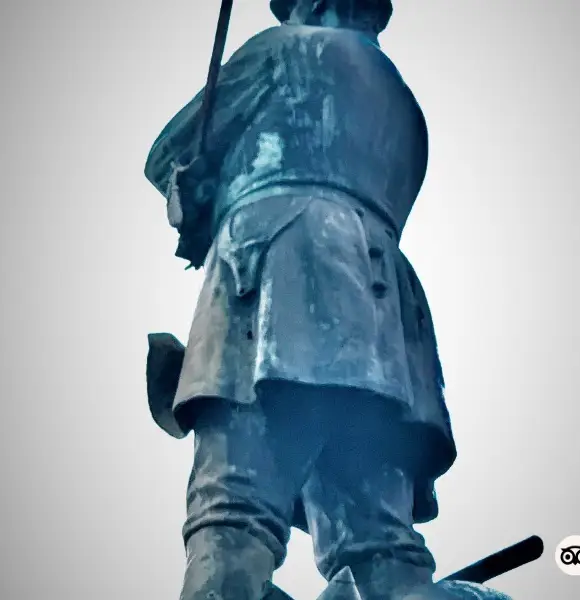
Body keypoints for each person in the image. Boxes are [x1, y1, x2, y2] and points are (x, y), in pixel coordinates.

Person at [144, 2, 456, 598]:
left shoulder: (282, 50)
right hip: (381, 310)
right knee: (378, 540)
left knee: (232, 505)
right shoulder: (404, 106)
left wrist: (197, 188)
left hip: (275, 265)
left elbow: (170, 157)